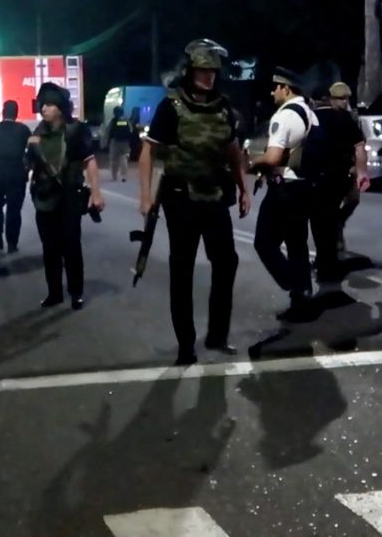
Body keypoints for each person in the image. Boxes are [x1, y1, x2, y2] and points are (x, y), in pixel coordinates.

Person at [139, 39, 250, 365]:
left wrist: (243, 188)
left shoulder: (224, 108)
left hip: (215, 198)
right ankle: (186, 344)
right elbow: (148, 150)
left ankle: (218, 335)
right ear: (190, 72)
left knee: (226, 263)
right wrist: (145, 196)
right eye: (202, 71)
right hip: (181, 199)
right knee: (182, 270)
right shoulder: (171, 107)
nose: (208, 77)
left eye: (212, 72)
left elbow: (232, 150)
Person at [250, 66, 319, 323]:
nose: (272, 92)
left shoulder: (285, 116)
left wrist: (252, 164)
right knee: (297, 245)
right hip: (305, 187)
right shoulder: (310, 114)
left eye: (275, 87)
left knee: (264, 243)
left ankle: (295, 284)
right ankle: (302, 302)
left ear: (286, 89)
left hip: (284, 189)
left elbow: (273, 157)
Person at [28, 82, 103, 310]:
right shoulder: (37, 133)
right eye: (43, 105)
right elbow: (29, 165)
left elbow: (89, 161)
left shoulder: (76, 130)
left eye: (50, 105)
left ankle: (76, 292)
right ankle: (54, 292)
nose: (44, 109)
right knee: (49, 249)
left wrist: (96, 193)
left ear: (61, 107)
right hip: (44, 198)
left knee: (71, 247)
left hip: (70, 196)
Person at [315, 81, 370, 272]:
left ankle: (335, 233)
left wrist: (361, 171)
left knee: (352, 201)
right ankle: (329, 255)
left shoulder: (347, 118)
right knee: (326, 217)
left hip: (344, 171)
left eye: (347, 98)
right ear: (332, 99)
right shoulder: (320, 117)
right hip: (326, 173)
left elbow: (359, 146)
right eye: (341, 98)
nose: (345, 102)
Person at [0, 100, 31, 253]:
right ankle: (12, 242)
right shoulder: (23, 130)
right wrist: (27, 169)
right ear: (16, 113)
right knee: (14, 210)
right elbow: (31, 152)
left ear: (3, 112)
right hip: (16, 175)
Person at [105, 106, 136, 182]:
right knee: (124, 159)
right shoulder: (126, 121)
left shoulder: (113, 121)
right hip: (125, 143)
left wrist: (106, 142)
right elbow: (131, 131)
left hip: (115, 142)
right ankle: (124, 176)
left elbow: (108, 131)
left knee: (114, 160)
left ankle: (114, 176)